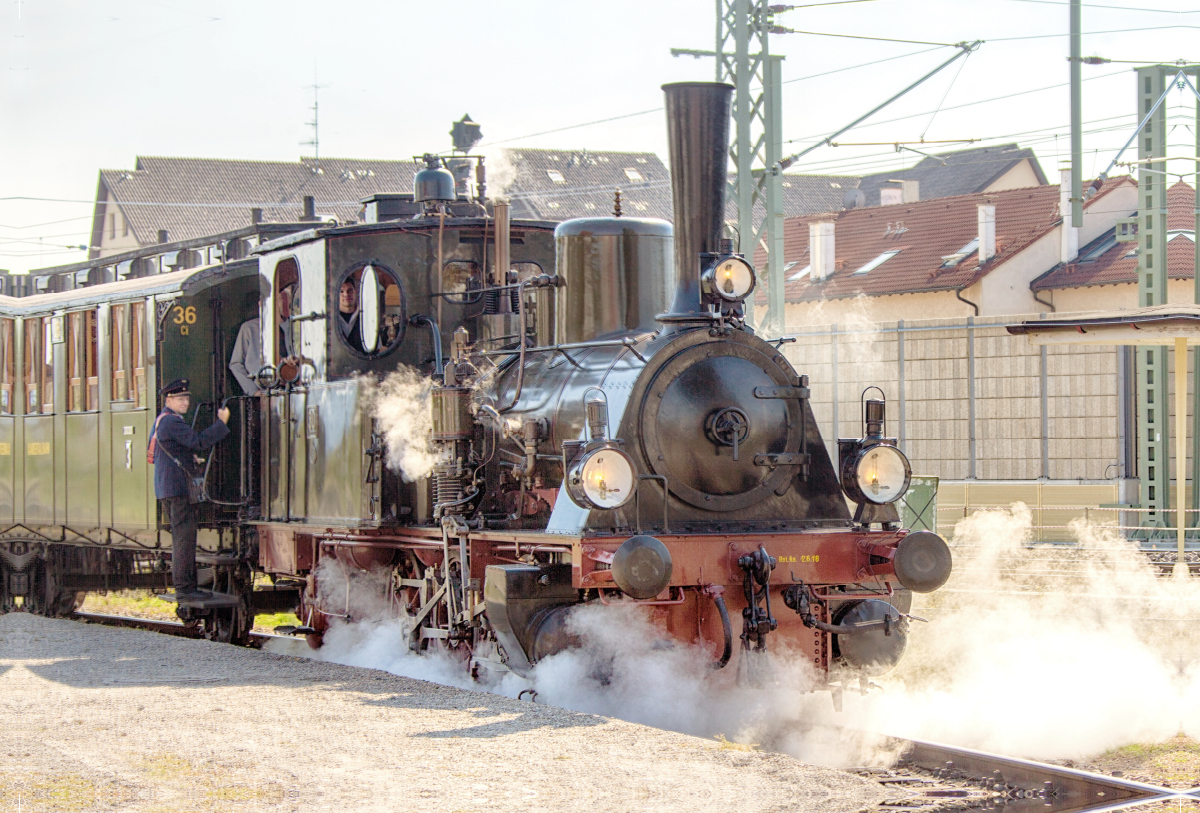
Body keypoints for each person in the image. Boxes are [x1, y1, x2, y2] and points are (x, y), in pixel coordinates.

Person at [149, 379, 230, 601]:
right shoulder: (172, 423)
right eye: (180, 399)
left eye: (186, 398)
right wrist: (221, 424)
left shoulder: (162, 421)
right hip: (178, 489)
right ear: (169, 400)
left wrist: (187, 456)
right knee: (184, 540)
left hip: (169, 487)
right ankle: (185, 588)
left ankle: (186, 586)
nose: (185, 402)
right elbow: (198, 441)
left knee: (183, 538)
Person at [229, 316, 263, 395]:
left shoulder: (291, 327)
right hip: (260, 394)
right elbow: (236, 364)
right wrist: (253, 391)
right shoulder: (249, 328)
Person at [336, 277, 365, 354]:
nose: (346, 294)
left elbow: (378, 348)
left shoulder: (365, 317)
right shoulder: (331, 319)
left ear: (356, 291)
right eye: (341, 291)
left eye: (350, 290)